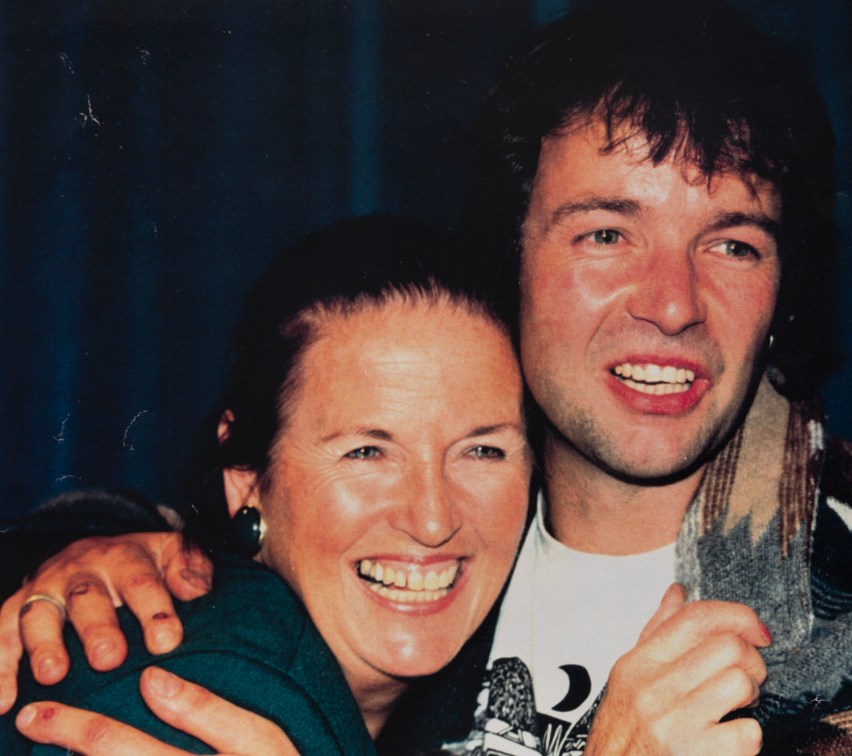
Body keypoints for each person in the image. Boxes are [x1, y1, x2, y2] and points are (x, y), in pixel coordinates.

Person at [4, 0, 852, 753]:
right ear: (512, 259)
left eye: (734, 245)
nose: (673, 302)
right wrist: (93, 548)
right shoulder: (421, 584)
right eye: (605, 232)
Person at [0, 215, 536, 753]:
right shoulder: (198, 707)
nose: (434, 519)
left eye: (482, 451)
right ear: (247, 476)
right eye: (367, 452)